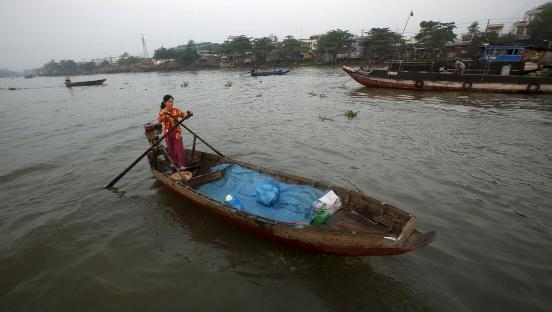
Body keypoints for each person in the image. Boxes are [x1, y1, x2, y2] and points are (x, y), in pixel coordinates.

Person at [157, 95, 192, 171]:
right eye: (169, 102)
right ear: (165, 102)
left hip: (176, 133)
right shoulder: (162, 111)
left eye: (172, 102)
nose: (171, 103)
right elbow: (159, 120)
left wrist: (188, 114)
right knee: (170, 149)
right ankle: (173, 163)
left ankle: (181, 165)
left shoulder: (175, 110)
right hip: (167, 133)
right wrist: (164, 114)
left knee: (179, 148)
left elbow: (184, 115)